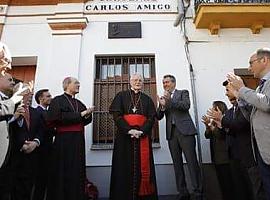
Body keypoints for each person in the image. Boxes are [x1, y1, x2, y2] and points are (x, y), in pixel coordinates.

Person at [227, 48, 270, 200]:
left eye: (251, 63)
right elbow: (251, 114)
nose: (249, 68)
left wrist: (242, 88)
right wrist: (240, 96)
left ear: (264, 60)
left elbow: (266, 103)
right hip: (261, 149)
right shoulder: (259, 87)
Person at [109, 73, 158, 200]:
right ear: (130, 82)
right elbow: (117, 116)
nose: (138, 82)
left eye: (140, 80)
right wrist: (129, 130)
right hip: (124, 138)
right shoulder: (121, 96)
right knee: (123, 167)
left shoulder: (147, 99)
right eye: (135, 80)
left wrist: (142, 131)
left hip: (143, 136)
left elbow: (151, 118)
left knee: (143, 168)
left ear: (143, 83)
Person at [46, 77, 94, 200]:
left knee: (77, 169)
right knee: (63, 169)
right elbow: (56, 118)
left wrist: (88, 115)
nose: (79, 85)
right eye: (76, 83)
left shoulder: (79, 103)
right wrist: (81, 114)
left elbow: (85, 120)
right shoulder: (57, 101)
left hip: (78, 141)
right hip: (64, 141)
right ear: (67, 85)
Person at [156, 74, 202, 200]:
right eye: (163, 82)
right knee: (177, 164)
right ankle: (183, 192)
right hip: (172, 134)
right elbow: (158, 116)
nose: (165, 85)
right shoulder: (163, 98)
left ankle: (198, 191)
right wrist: (162, 106)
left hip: (186, 132)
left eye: (167, 82)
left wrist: (169, 101)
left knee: (192, 162)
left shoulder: (183, 93)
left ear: (173, 83)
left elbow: (185, 106)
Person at [9, 82, 43, 200]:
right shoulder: (7, 110)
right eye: (26, 93)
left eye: (30, 93)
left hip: (32, 158)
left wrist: (35, 142)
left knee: (28, 189)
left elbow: (41, 131)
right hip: (13, 157)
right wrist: (21, 145)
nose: (30, 96)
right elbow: (8, 131)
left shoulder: (36, 113)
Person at [202, 101, 234, 200]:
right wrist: (208, 126)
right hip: (216, 158)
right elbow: (207, 135)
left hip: (225, 159)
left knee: (228, 184)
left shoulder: (226, 120)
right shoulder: (214, 122)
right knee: (222, 184)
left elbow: (221, 135)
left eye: (213, 108)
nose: (212, 111)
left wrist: (211, 126)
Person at [32, 89, 53, 200]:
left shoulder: (47, 112)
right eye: (48, 96)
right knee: (40, 181)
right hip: (41, 152)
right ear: (41, 98)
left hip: (48, 151)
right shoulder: (37, 112)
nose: (51, 98)